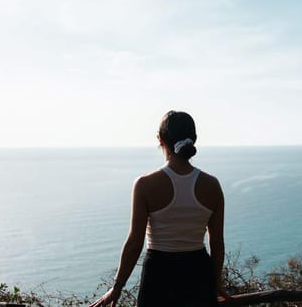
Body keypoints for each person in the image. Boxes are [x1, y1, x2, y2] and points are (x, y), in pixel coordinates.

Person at [90, 110, 231, 307]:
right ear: (194, 139)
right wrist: (215, 282)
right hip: (199, 274)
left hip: (159, 275)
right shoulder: (212, 185)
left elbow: (134, 242)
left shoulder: (145, 185)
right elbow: (217, 242)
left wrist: (117, 287)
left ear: (160, 139)